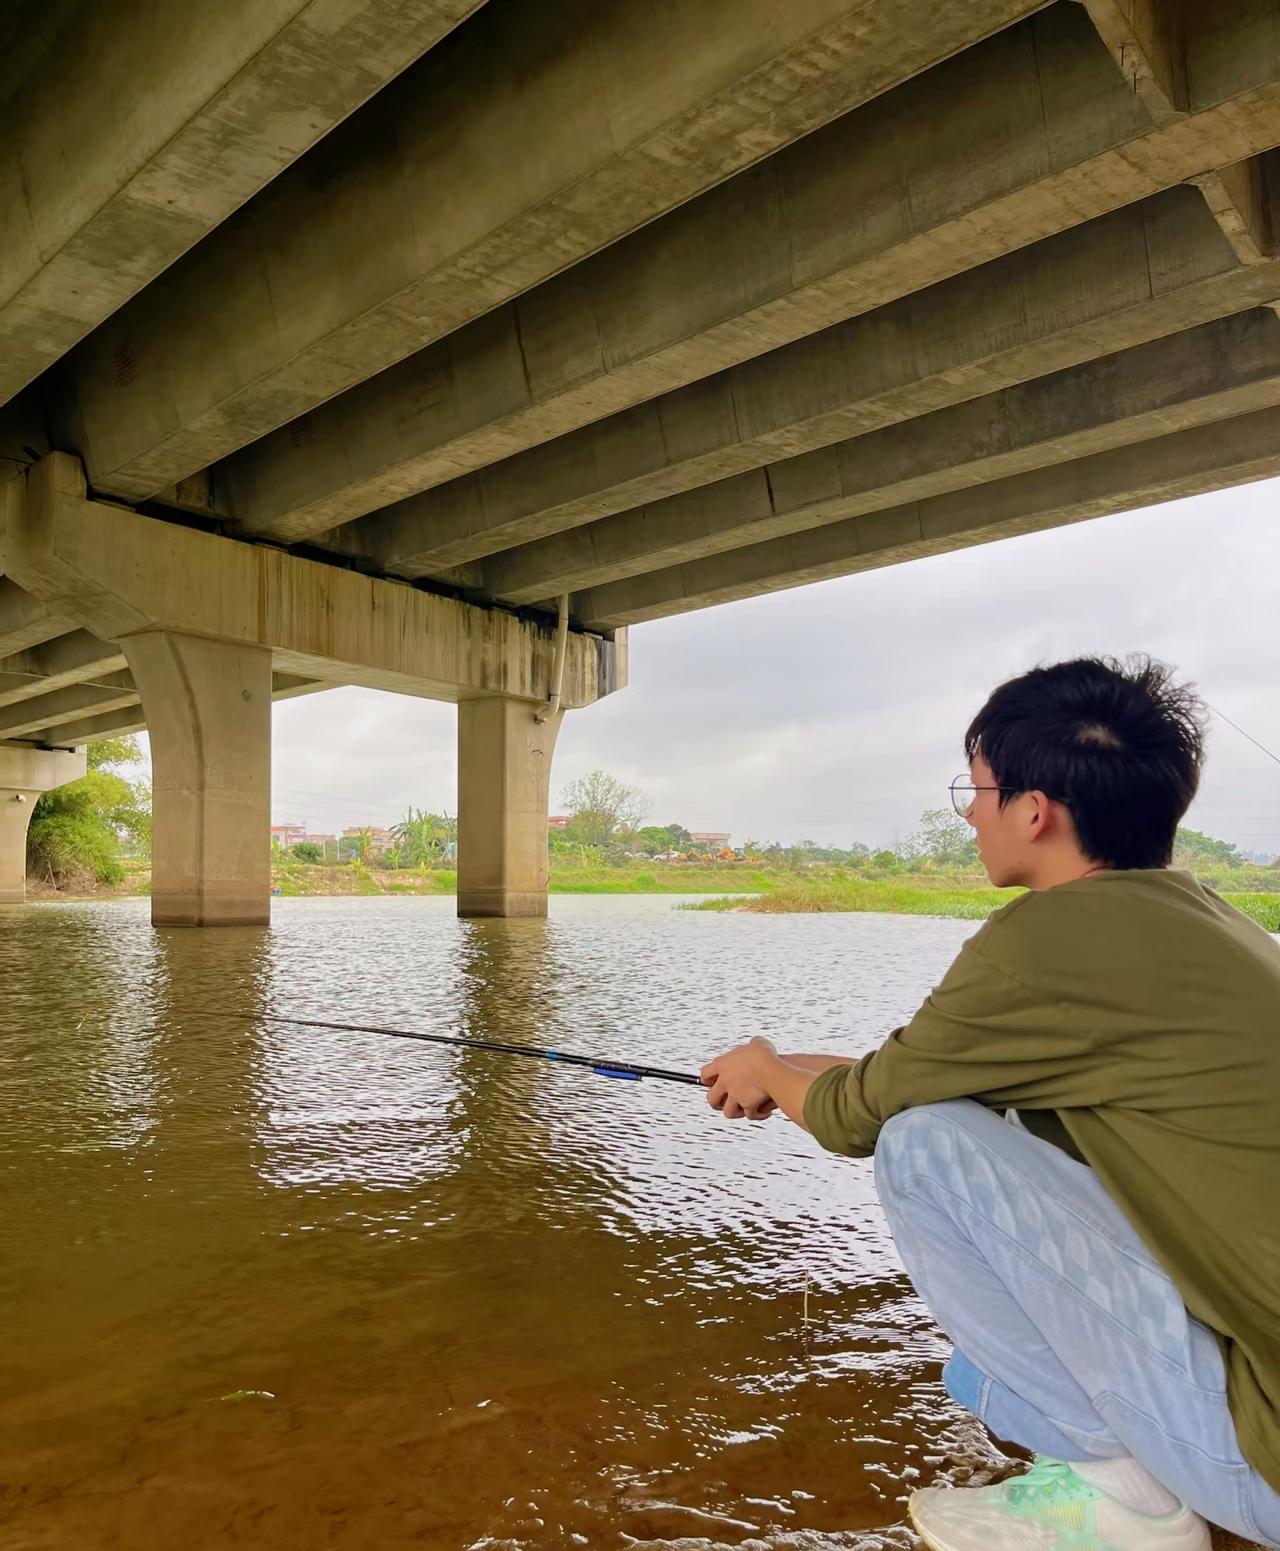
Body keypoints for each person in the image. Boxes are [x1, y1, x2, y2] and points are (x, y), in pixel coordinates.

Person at [701, 656, 1280, 1551]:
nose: (970, 814)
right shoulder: (1204, 919)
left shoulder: (1049, 937)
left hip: (1268, 1465)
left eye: (974, 790)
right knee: (952, 1118)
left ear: (1034, 810)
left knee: (922, 1144)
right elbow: (914, 1072)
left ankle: (1125, 1505)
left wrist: (768, 1070)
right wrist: (774, 1068)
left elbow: (865, 1116)